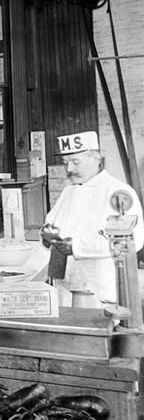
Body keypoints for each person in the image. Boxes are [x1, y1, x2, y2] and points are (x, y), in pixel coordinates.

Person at [40, 130, 144, 306]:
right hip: (65, 286)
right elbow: (51, 226)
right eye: (65, 163)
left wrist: (76, 247)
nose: (69, 169)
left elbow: (133, 241)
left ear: (97, 159)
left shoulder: (117, 192)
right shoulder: (68, 192)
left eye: (76, 162)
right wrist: (47, 236)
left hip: (99, 290)